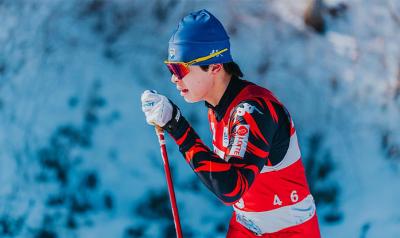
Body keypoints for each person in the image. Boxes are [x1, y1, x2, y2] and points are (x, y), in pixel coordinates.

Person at [141, 9, 321, 237]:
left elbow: (232, 187)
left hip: (289, 232)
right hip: (246, 227)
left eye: (180, 68)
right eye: (171, 67)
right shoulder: (218, 108)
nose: (174, 78)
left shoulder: (253, 111)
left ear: (215, 66)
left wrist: (178, 126)